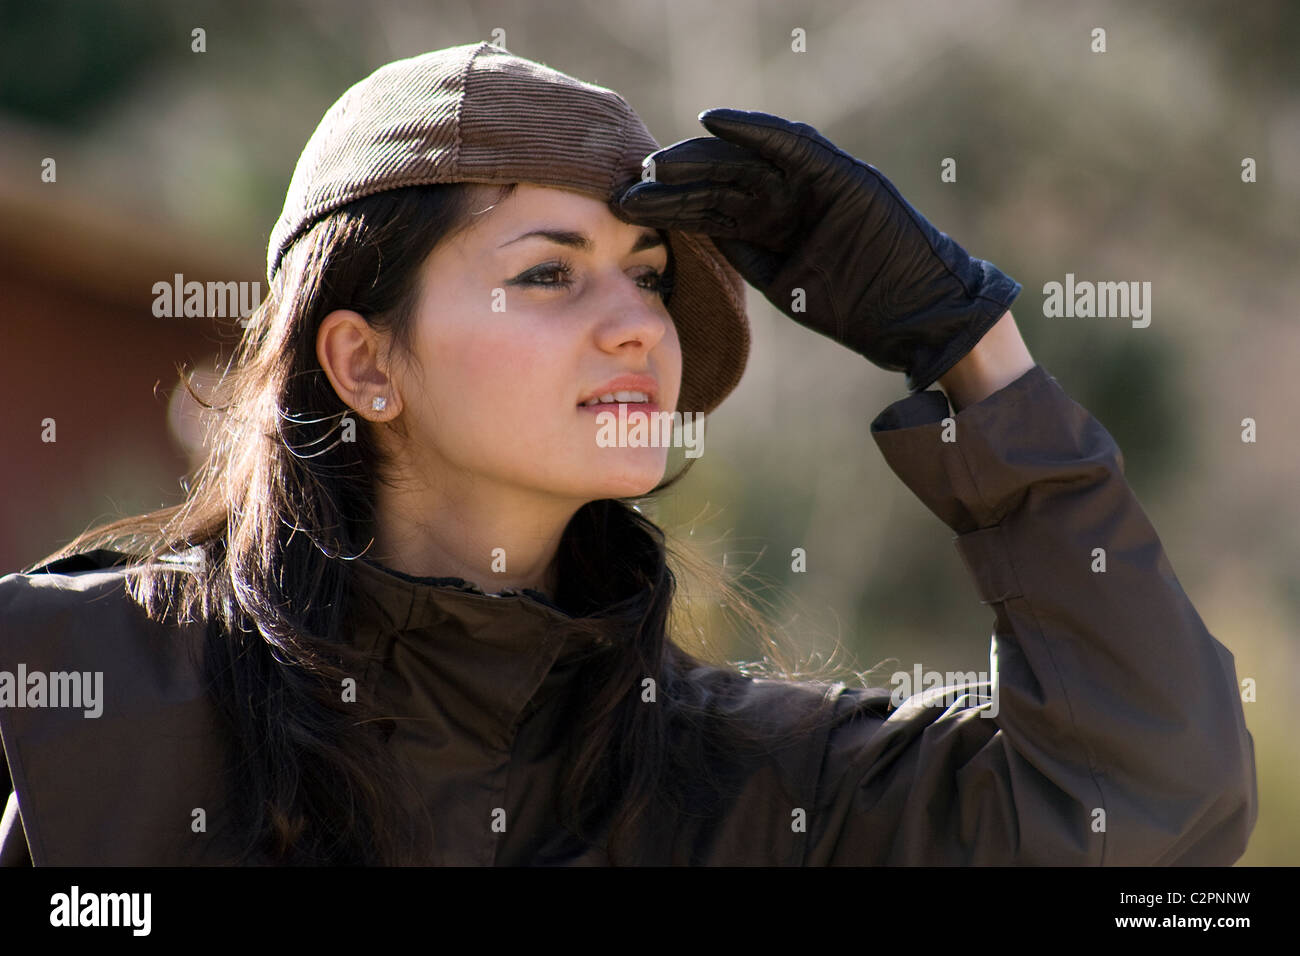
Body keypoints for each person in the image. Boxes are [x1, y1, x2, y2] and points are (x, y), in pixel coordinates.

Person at [0, 41, 1256, 866]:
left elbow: (1152, 802)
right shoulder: (80, 698)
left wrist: (971, 347)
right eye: (548, 271)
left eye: (648, 275)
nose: (633, 325)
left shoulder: (758, 780)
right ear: (364, 361)